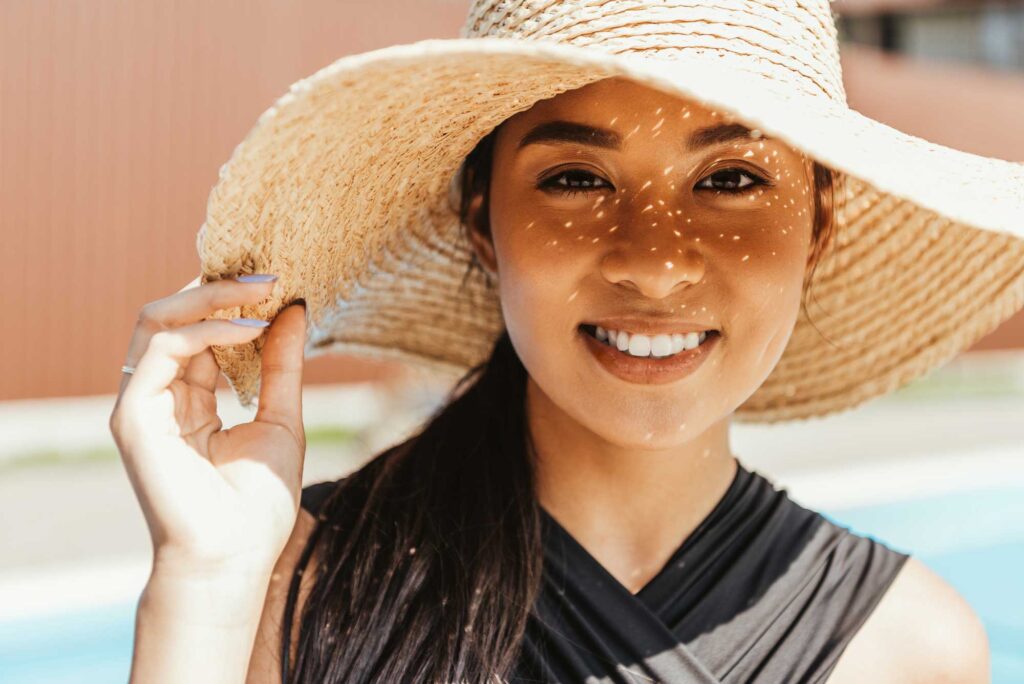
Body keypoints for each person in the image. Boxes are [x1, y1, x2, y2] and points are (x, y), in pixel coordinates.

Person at [109, 1, 1024, 682]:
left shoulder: (910, 649)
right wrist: (201, 582)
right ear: (482, 219)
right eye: (579, 177)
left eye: (733, 178)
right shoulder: (294, 588)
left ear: (817, 227)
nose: (656, 266)